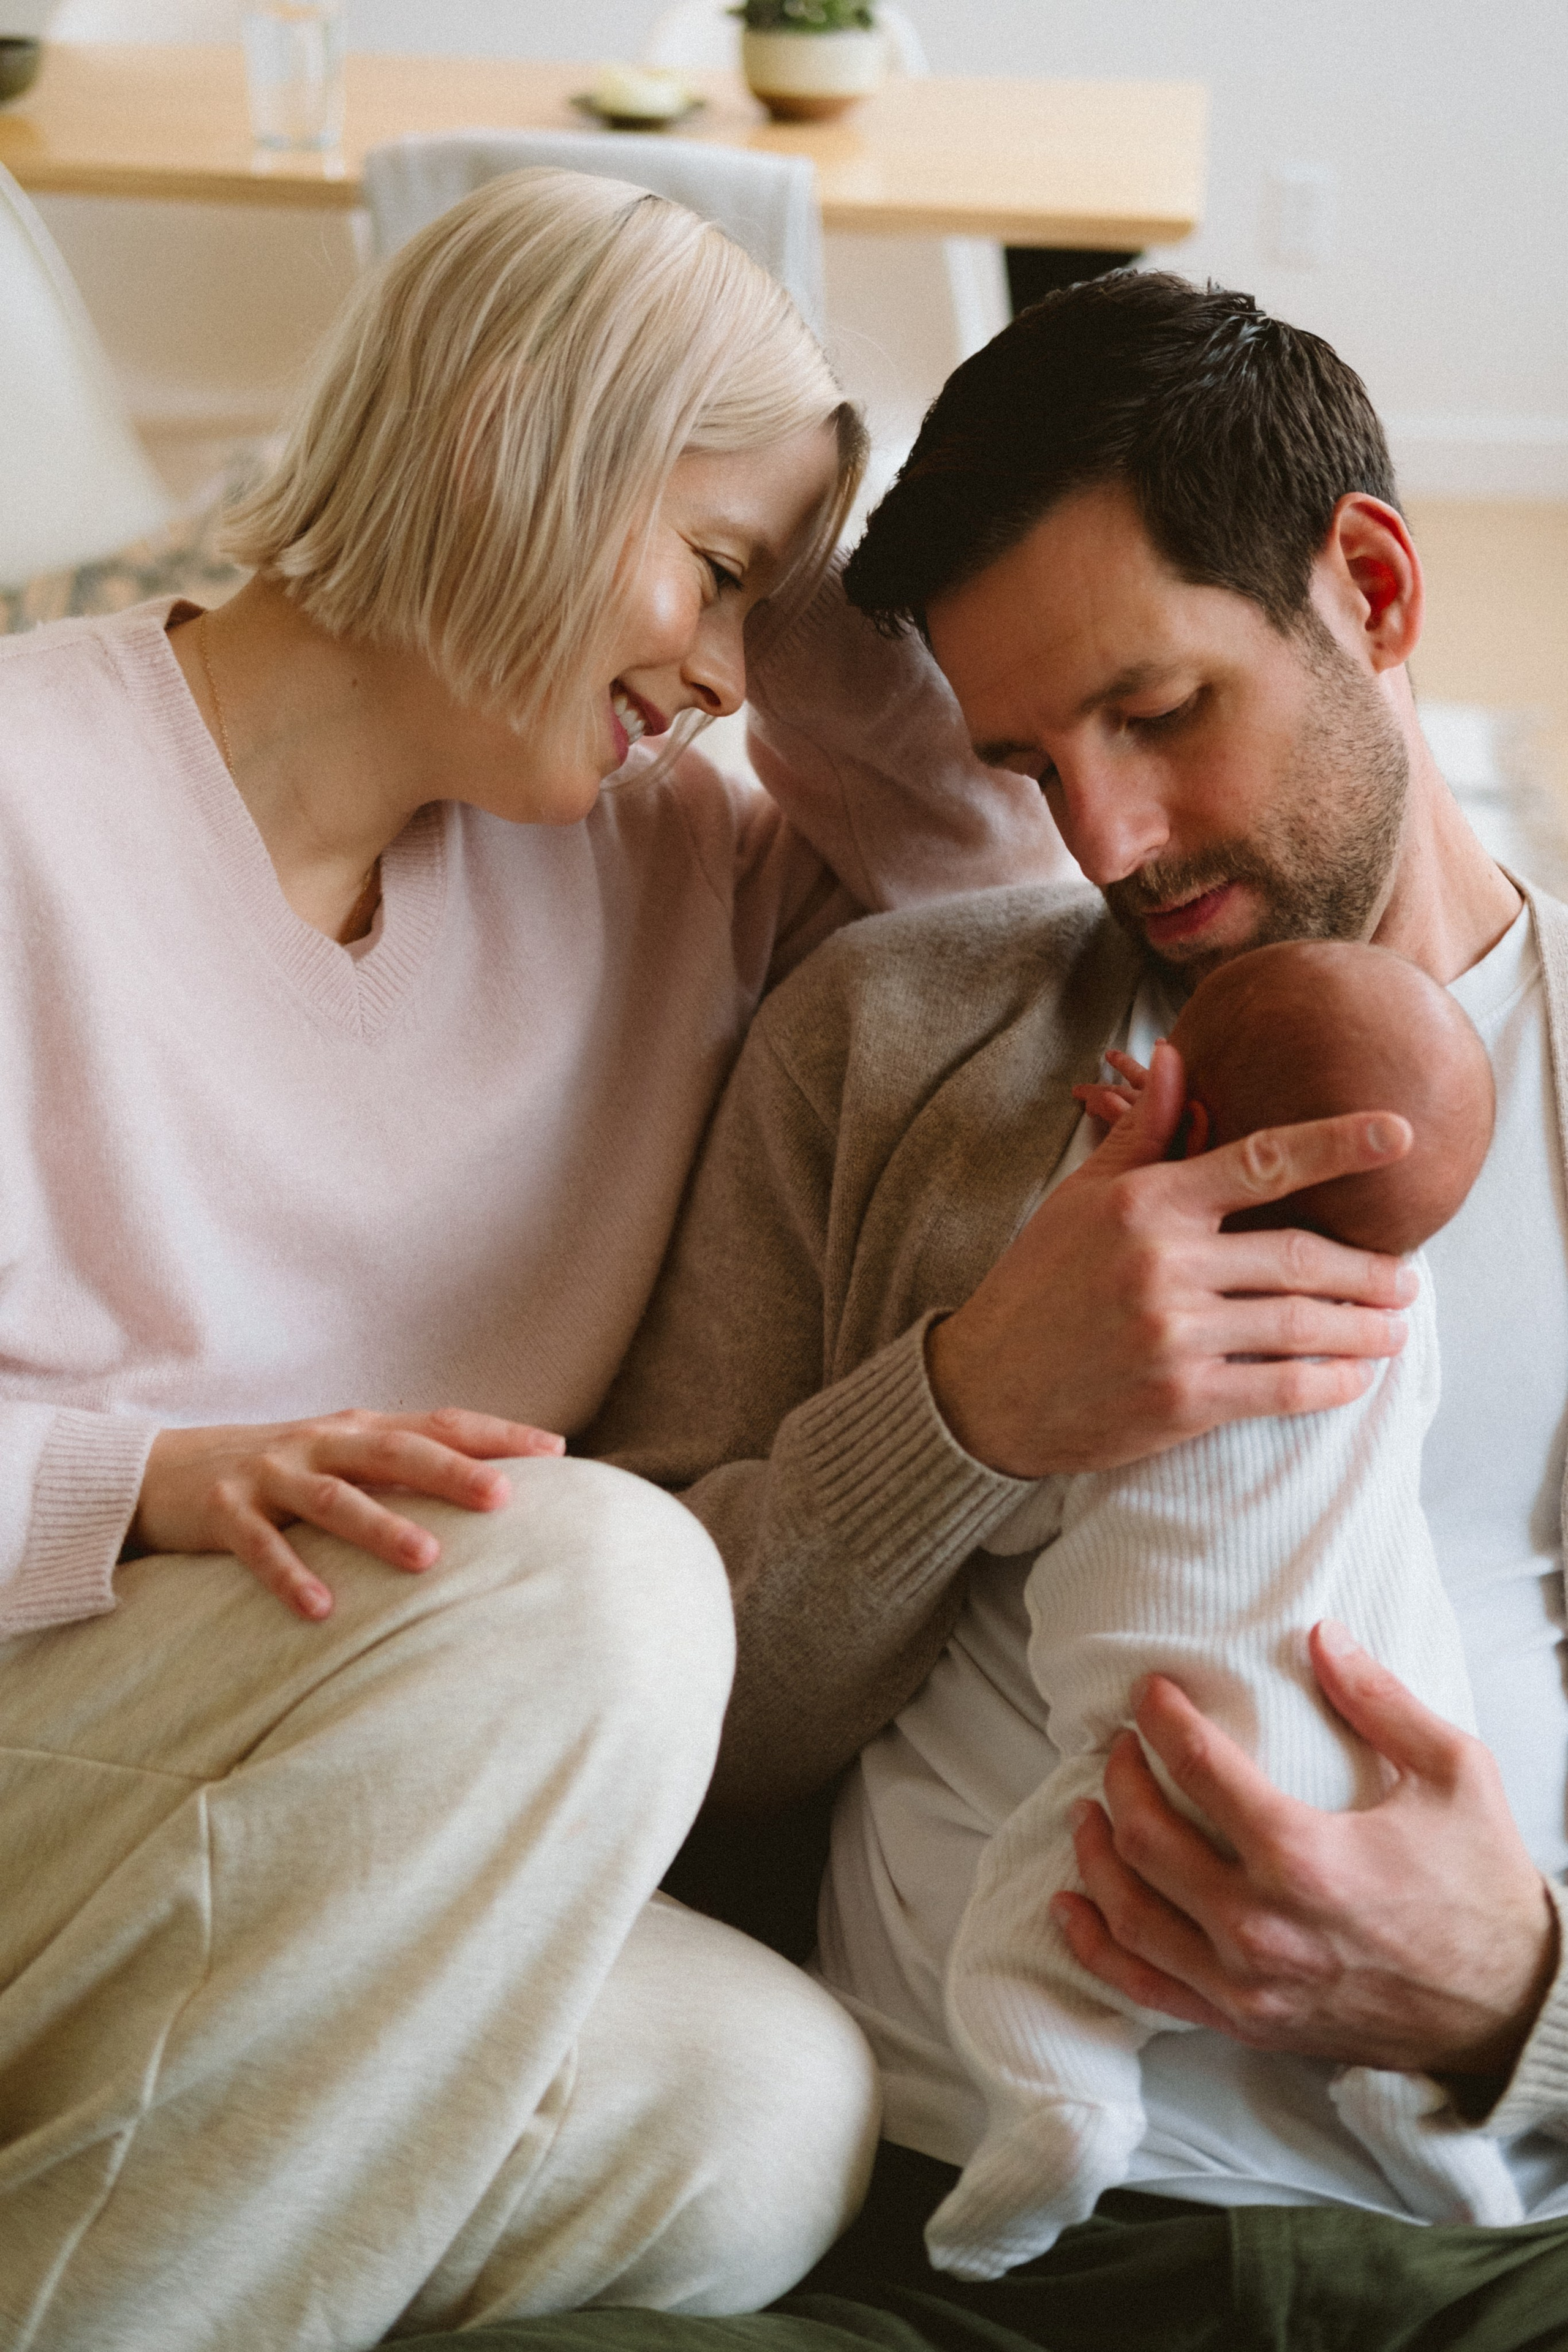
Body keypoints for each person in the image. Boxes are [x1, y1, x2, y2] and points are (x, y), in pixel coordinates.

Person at [0, 168, 1076, 2351]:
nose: (709, 669)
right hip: (61, 1705)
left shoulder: (661, 852)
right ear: (515, 439)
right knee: (605, 1584)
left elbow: (1015, 902)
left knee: (764, 2114)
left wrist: (822, 599)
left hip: (357, 1792)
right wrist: (143, 1481)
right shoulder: (29, 789)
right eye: (708, 572)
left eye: (759, 611)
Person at [566, 272, 1568, 2351]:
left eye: (1162, 710)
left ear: (1371, 589)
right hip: (940, 2237)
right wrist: (965, 1413)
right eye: (1028, 760)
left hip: (1493, 2248)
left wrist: (1515, 1998)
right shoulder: (886, 1038)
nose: (1106, 837)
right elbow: (643, 1719)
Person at [930, 942, 1517, 2284]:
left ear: (1174, 1119)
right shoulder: (1398, 1316)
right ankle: (1464, 2187)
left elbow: (1012, 1504)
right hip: (1387, 1770)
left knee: (1019, 1955)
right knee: (1374, 2046)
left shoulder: (1122, 1339)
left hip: (1168, 1757)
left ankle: (1061, 2114)